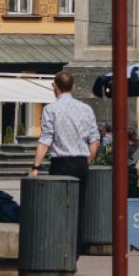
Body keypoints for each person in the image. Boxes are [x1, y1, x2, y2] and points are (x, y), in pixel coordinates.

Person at [27, 72, 100, 226]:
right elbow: (94, 141)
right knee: (79, 206)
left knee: (59, 205)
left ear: (55, 86)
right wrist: (87, 160)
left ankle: (61, 238)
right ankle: (77, 238)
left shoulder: (50, 109)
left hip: (60, 163)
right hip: (80, 163)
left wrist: (35, 167)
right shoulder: (86, 109)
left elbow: (45, 140)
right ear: (73, 86)